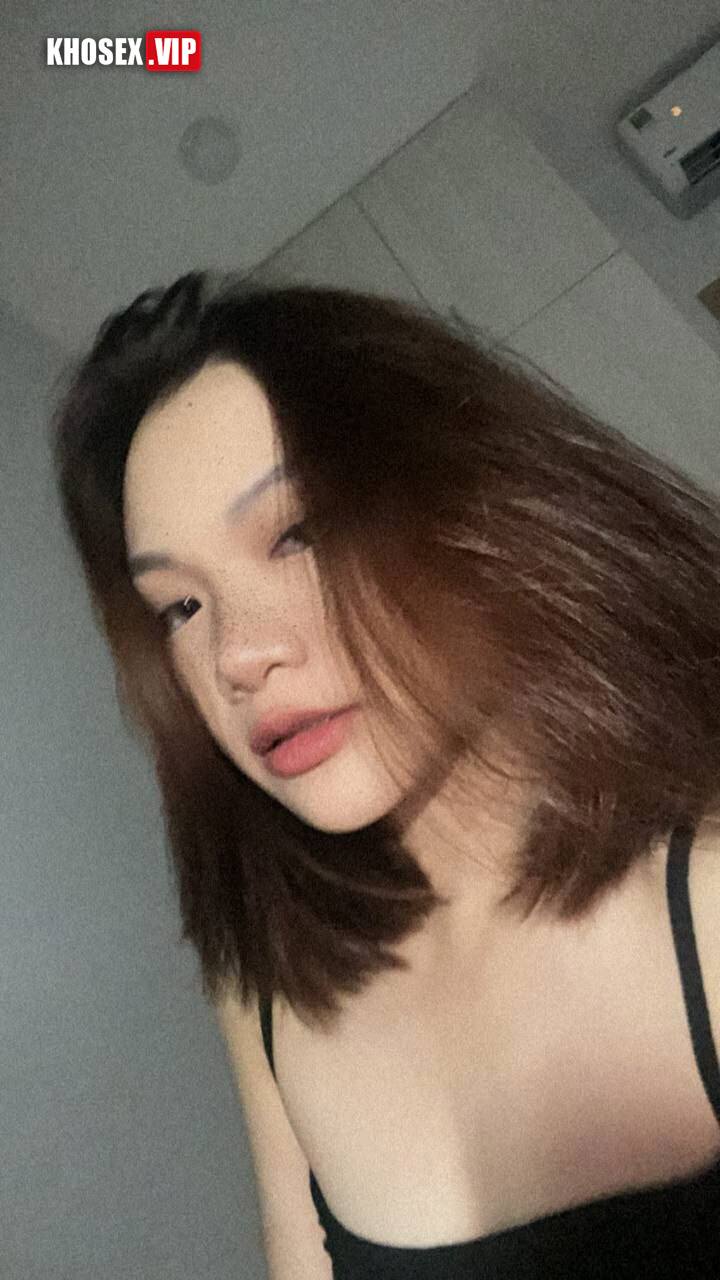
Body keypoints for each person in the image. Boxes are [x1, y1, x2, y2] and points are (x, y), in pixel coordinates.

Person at [51, 272, 720, 1278]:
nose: (236, 656)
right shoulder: (270, 984)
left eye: (297, 533)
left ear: (475, 509)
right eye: (181, 607)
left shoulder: (704, 898)